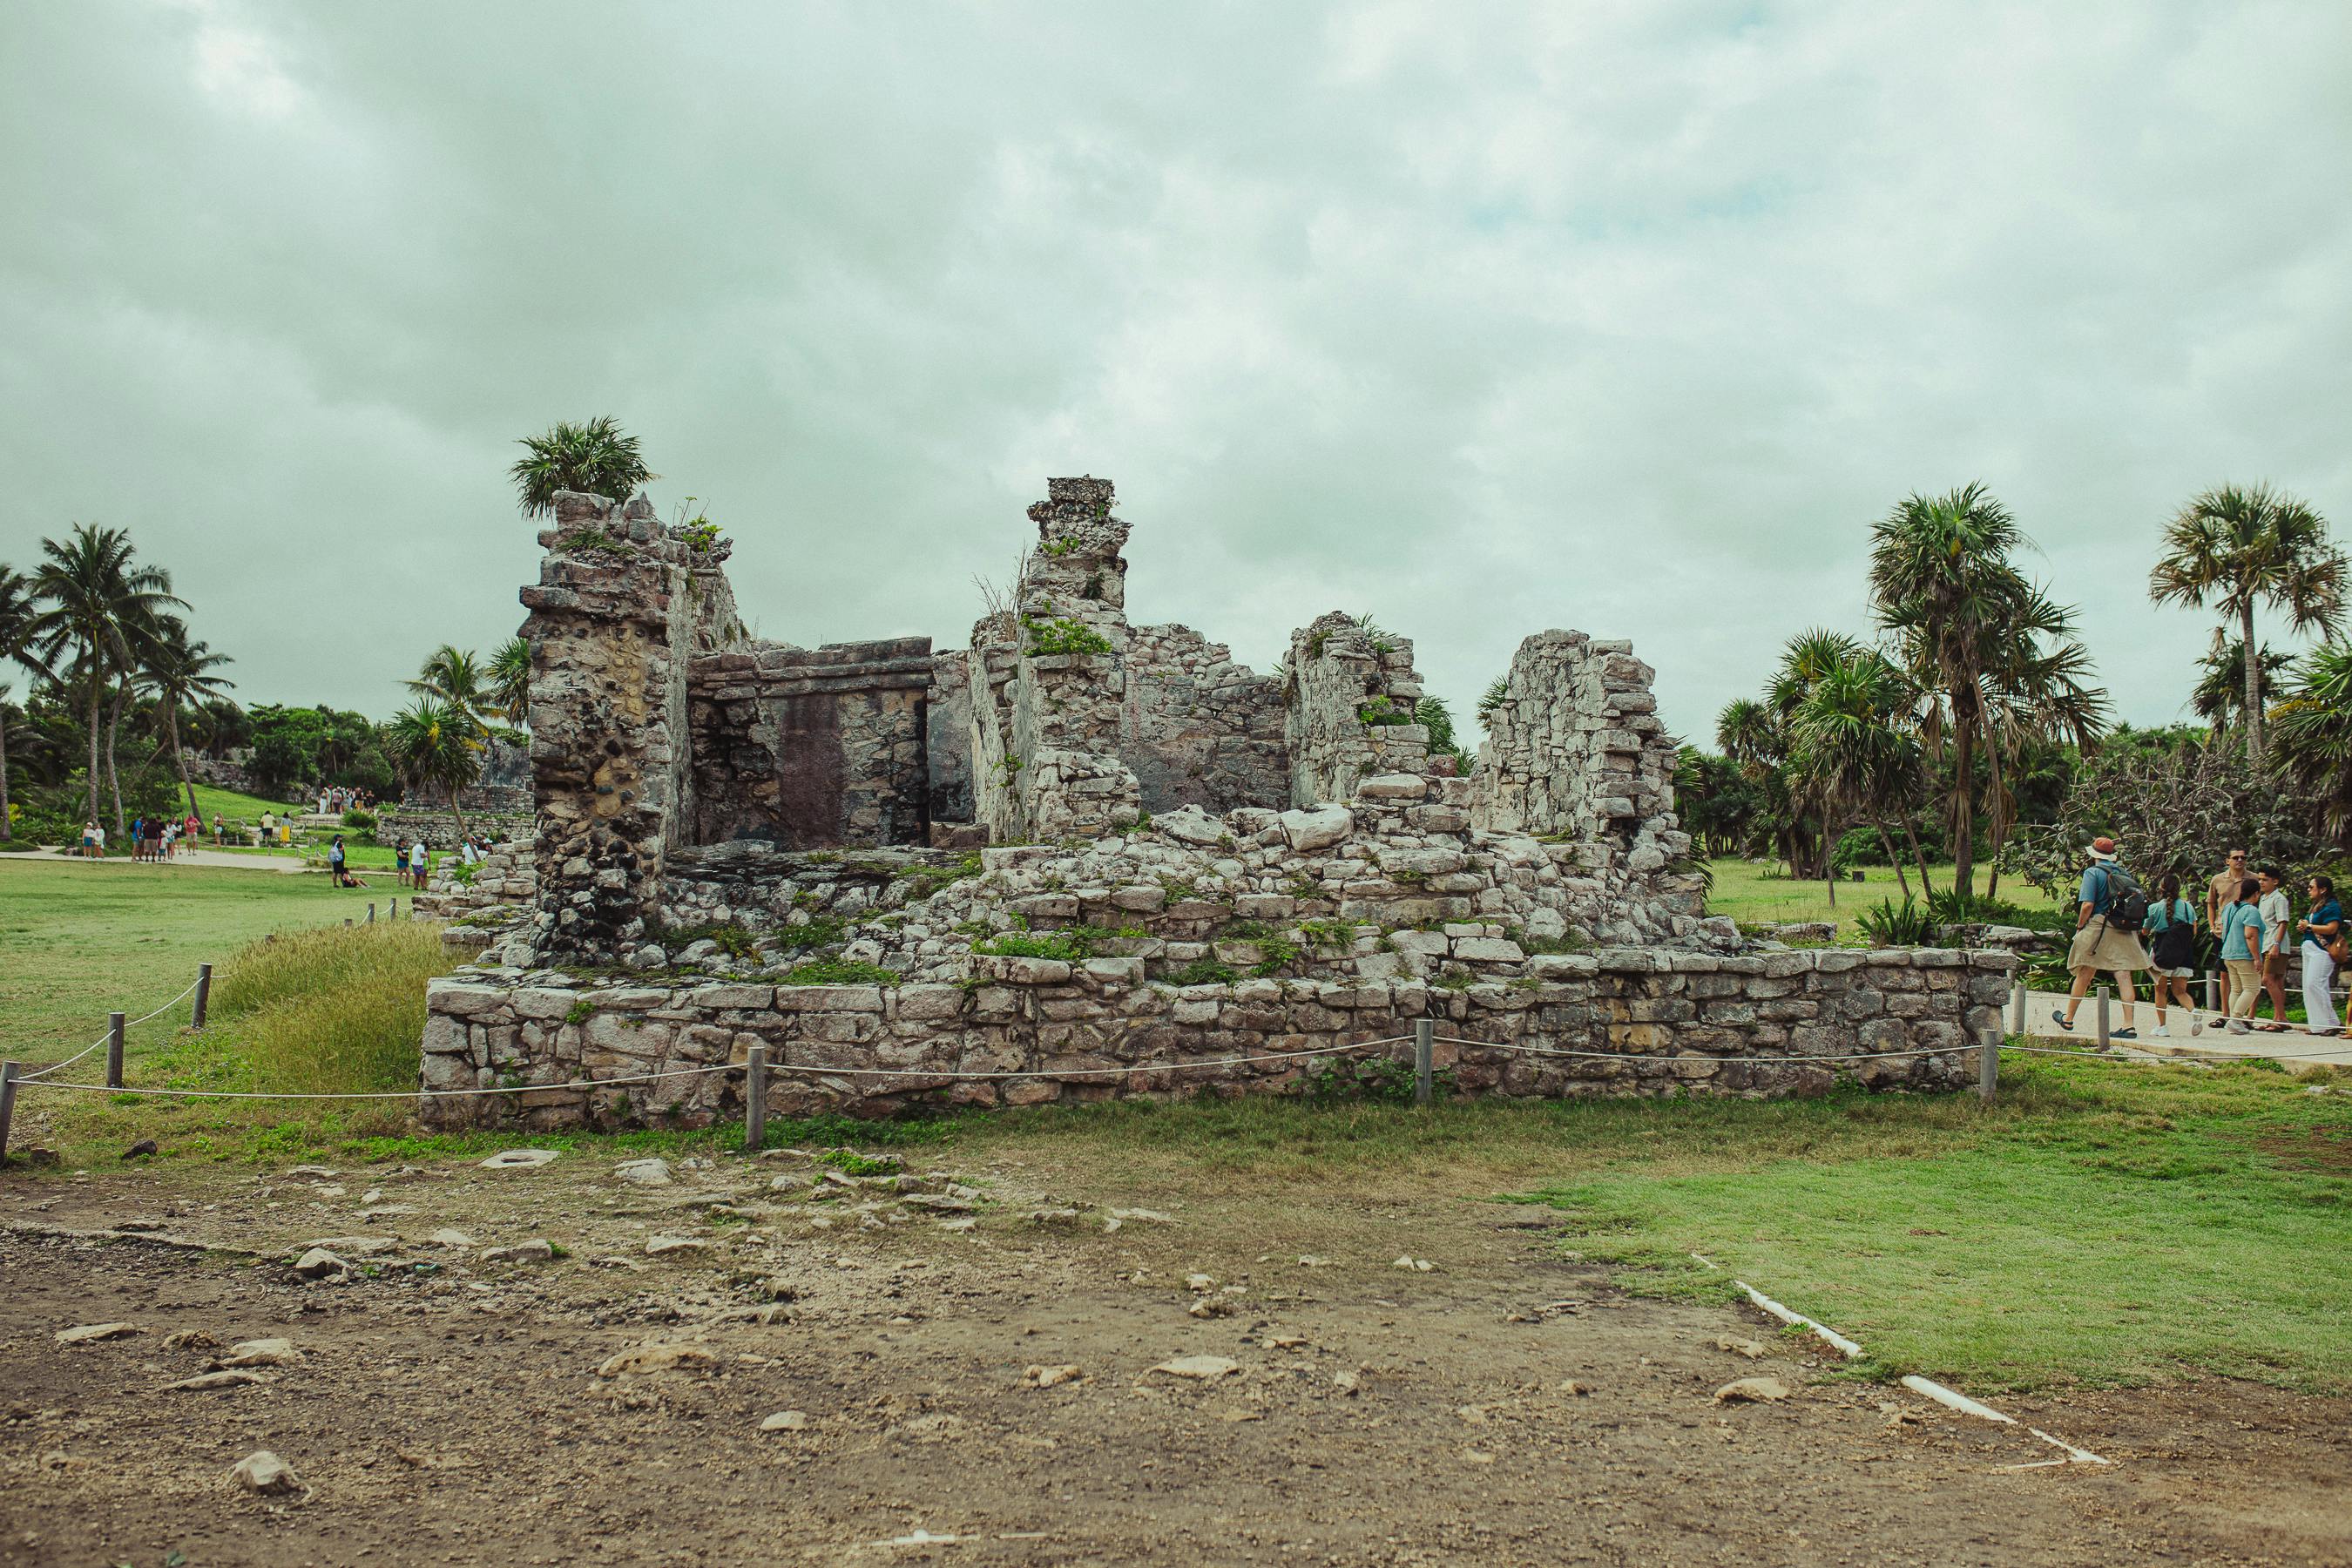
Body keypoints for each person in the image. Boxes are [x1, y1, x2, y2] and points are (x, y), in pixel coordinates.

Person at [2053, 837, 2152, 1038]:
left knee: (2085, 970)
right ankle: (2128, 1024)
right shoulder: (2123, 872)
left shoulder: (2093, 872)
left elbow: (2087, 905)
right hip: (2122, 926)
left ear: (2094, 855)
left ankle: (2068, 1018)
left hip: (2100, 926)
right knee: (2124, 974)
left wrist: (2080, 926)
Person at [2142, 873, 2202, 1038]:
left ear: (2161, 888)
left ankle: (2162, 1026)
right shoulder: (2188, 907)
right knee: (2180, 991)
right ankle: (2193, 1010)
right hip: (2184, 952)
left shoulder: (2154, 908)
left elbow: (2145, 930)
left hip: (2163, 951)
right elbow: (2194, 931)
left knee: (2160, 990)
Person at [2219, 877, 2267, 1036]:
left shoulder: (2229, 907)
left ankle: (2234, 1020)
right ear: (2256, 894)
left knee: (2237, 988)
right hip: (2244, 955)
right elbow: (2250, 935)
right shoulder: (2251, 911)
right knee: (2252, 988)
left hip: (2228, 953)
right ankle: (2236, 1019)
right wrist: (2257, 958)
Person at [2298, 875, 2343, 1038]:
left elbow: (2331, 928)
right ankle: (2318, 1025)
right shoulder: (2316, 906)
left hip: (2321, 950)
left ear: (2323, 889)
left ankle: (2332, 1022)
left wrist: (2309, 926)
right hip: (2309, 947)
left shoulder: (2332, 907)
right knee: (2308, 987)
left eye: (2312, 887)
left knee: (2315, 985)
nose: (2309, 890)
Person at [2206, 848, 2250, 1016]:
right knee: (2224, 974)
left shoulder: (2252, 879)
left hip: (2245, 931)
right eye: (2235, 857)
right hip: (2221, 932)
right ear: (2228, 861)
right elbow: (2210, 903)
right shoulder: (2218, 880)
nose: (2239, 860)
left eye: (2242, 857)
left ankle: (2246, 1015)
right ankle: (2225, 1014)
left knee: (2247, 975)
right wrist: (2212, 926)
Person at [2254, 867, 2295, 1032]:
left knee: (2267, 979)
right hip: (2266, 942)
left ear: (2275, 881)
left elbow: (2283, 922)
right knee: (2276, 981)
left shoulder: (2279, 899)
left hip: (2276, 943)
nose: (2261, 882)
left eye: (2265, 879)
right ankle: (2277, 1018)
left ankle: (2282, 1018)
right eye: (2260, 879)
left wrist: (2276, 944)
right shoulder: (2263, 898)